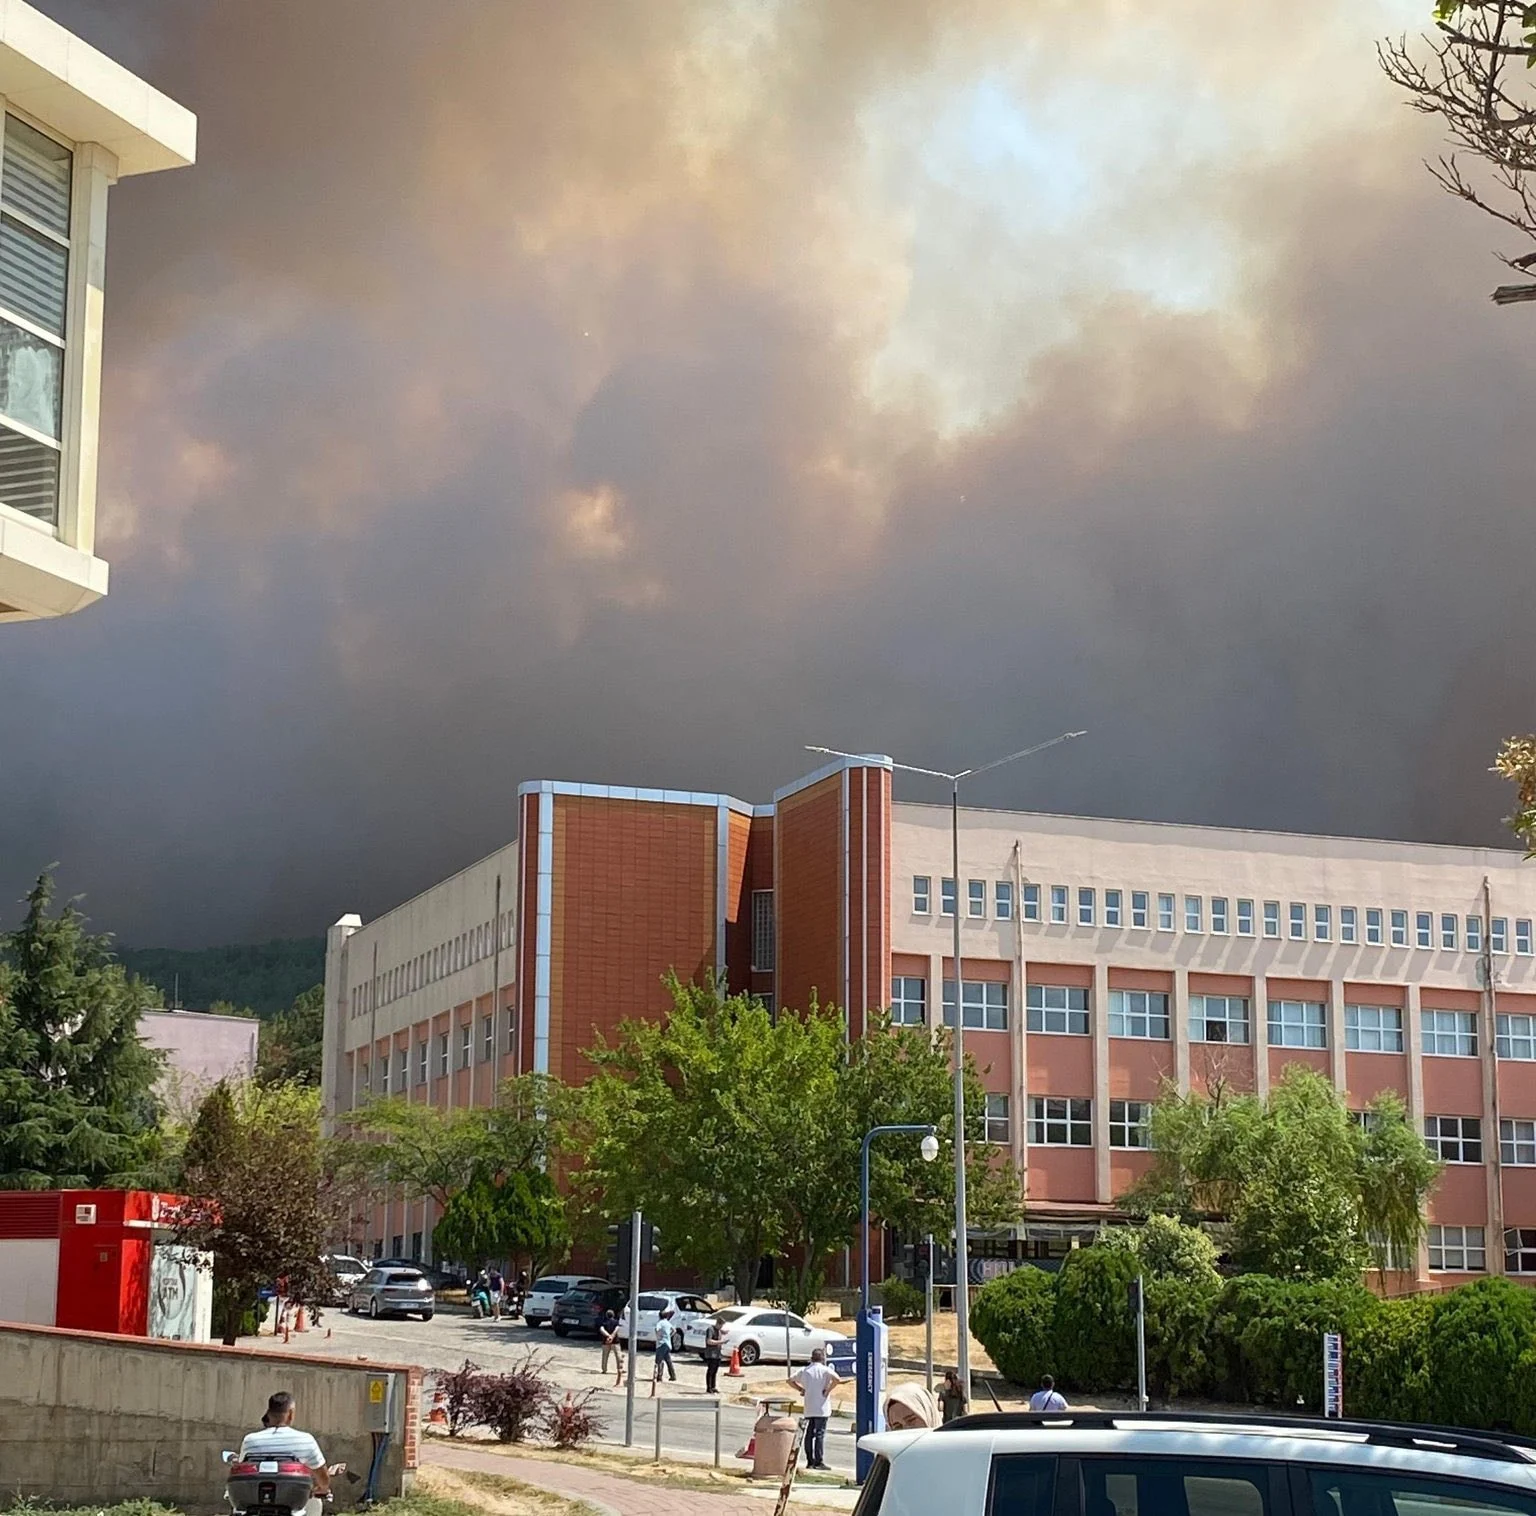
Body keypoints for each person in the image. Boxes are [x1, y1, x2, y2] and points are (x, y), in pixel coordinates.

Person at [240, 1392, 330, 1507]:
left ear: (269, 1413)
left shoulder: (250, 1440)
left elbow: (242, 1468)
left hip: (256, 1504)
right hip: (294, 1503)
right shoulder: (306, 1440)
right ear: (291, 1414)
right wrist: (322, 1488)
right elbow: (323, 1477)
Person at [790, 1346, 843, 1471]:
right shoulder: (825, 1370)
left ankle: (810, 1461)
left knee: (809, 1434)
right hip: (822, 1408)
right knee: (820, 1434)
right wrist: (828, 1390)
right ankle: (819, 1461)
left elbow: (790, 1380)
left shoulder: (805, 1370)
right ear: (823, 1358)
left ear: (811, 1358)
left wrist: (800, 1389)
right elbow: (837, 1379)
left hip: (809, 1407)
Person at [650, 1307, 678, 1394]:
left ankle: (659, 1376)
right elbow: (674, 1330)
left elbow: (656, 1329)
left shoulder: (660, 1323)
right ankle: (673, 1375)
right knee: (668, 1361)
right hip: (668, 1344)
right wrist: (669, 1335)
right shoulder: (668, 1323)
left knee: (658, 1361)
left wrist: (658, 1336)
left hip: (661, 1344)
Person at [599, 1308, 624, 1385]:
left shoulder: (603, 1322)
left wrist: (608, 1336)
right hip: (615, 1342)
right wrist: (612, 1336)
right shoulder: (616, 1322)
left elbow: (602, 1329)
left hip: (605, 1342)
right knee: (618, 1356)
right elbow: (617, 1329)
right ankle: (619, 1369)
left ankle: (604, 1369)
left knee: (605, 1356)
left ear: (606, 1315)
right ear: (613, 1315)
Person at [701, 1315, 724, 1394]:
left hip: (717, 1354)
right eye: (721, 1325)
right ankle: (709, 1387)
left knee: (715, 1371)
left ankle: (713, 1386)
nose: (721, 1327)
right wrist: (720, 1342)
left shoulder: (719, 1331)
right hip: (711, 1354)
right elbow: (709, 1341)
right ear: (717, 1323)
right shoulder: (710, 1329)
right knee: (710, 1371)